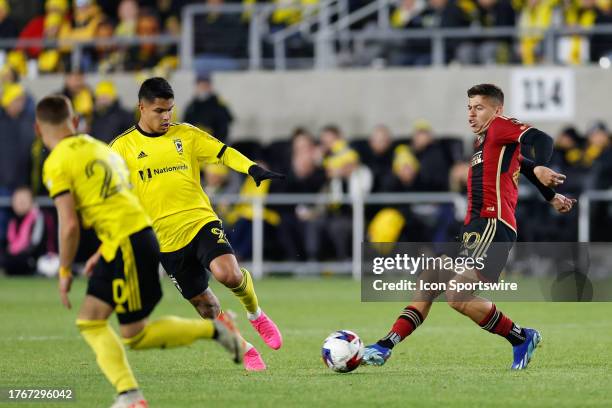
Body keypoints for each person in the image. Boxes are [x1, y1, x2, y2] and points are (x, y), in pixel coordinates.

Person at [37, 95, 245, 408]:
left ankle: (214, 331)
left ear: (39, 130)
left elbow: (68, 226)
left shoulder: (58, 161)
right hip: (134, 238)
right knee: (90, 321)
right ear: (76, 122)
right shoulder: (97, 148)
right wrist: (104, 249)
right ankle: (129, 395)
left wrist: (64, 270)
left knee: (134, 334)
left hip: (128, 243)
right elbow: (125, 200)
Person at [362, 84, 577, 370]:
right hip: (475, 228)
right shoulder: (485, 141)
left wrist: (541, 163)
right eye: (469, 107)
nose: (471, 114)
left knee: (456, 295)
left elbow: (542, 140)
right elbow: (521, 165)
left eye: (479, 107)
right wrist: (549, 194)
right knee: (430, 278)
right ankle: (384, 346)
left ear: (496, 110)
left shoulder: (501, 126)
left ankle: (522, 338)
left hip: (493, 224)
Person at [109, 77, 285, 371]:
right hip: (164, 241)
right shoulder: (121, 148)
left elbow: (223, 152)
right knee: (206, 306)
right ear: (141, 107)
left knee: (227, 274)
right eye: (159, 111)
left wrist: (251, 168)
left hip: (199, 221)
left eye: (170, 110)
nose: (166, 116)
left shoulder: (186, 135)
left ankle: (256, 314)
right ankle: (244, 348)